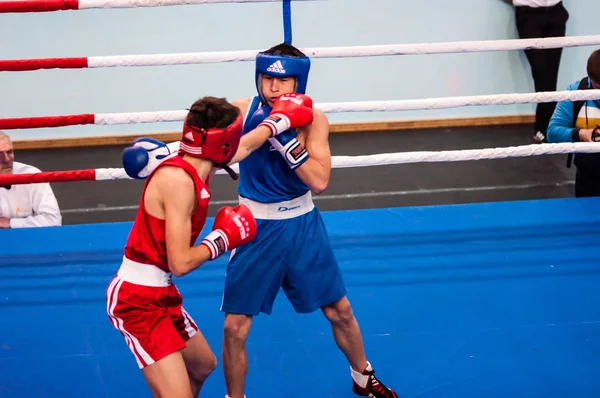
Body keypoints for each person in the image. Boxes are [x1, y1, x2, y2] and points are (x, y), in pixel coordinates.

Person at [124, 44, 398, 398]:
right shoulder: (243, 110)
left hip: (302, 225)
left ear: (298, 83)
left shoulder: (315, 120)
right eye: (267, 78)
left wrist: (289, 145)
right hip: (254, 227)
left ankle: (364, 376)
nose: (272, 88)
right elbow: (221, 147)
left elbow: (319, 180)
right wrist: (170, 149)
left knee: (340, 310)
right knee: (235, 328)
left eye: (282, 80)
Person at [105, 96, 259, 398]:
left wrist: (277, 121)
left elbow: (246, 144)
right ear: (223, 143)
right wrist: (221, 240)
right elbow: (181, 263)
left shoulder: (196, 158)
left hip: (161, 293)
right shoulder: (179, 182)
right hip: (136, 300)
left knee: (202, 365)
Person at [504, 0, 570, 143]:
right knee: (541, 72)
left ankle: (548, 127)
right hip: (528, 15)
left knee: (551, 73)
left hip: (556, 12)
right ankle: (546, 127)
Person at [547, 49, 600, 197]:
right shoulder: (575, 92)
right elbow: (552, 132)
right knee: (587, 218)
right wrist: (580, 133)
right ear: (590, 78)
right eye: (598, 88)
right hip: (589, 174)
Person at [0, 131, 62, 228]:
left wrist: (10, 223)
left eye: (9, 152)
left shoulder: (32, 175)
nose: (7, 159)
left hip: (28, 239)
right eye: (0, 154)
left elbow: (53, 220)